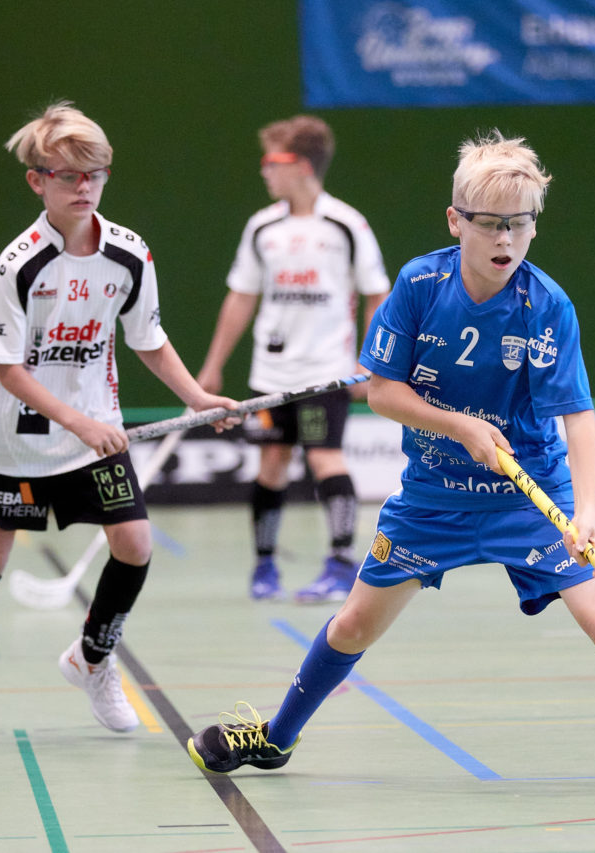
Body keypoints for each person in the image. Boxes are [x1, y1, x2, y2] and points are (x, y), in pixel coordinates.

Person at [186, 130, 595, 789]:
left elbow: (578, 419)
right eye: (490, 224)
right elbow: (381, 391)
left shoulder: (546, 306)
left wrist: (587, 511)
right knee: (353, 624)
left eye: (521, 224)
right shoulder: (419, 285)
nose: (506, 241)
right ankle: (276, 737)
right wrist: (457, 424)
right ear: (455, 221)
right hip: (433, 496)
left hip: (528, 496)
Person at [0, 101, 239, 747]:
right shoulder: (18, 265)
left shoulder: (129, 254)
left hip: (96, 436)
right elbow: (9, 369)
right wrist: (77, 422)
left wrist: (197, 395)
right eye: (69, 175)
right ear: (37, 180)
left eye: (96, 173)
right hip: (19, 442)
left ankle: (92, 657)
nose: (85, 186)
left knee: (135, 543)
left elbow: (147, 338)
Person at [196, 115, 390, 604]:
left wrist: (372, 365)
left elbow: (376, 296)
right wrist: (213, 365)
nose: (264, 172)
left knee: (326, 458)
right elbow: (241, 296)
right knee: (271, 463)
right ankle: (264, 566)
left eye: (271, 162)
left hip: (326, 375)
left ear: (301, 166)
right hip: (270, 375)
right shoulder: (262, 227)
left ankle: (342, 564)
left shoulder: (346, 224)